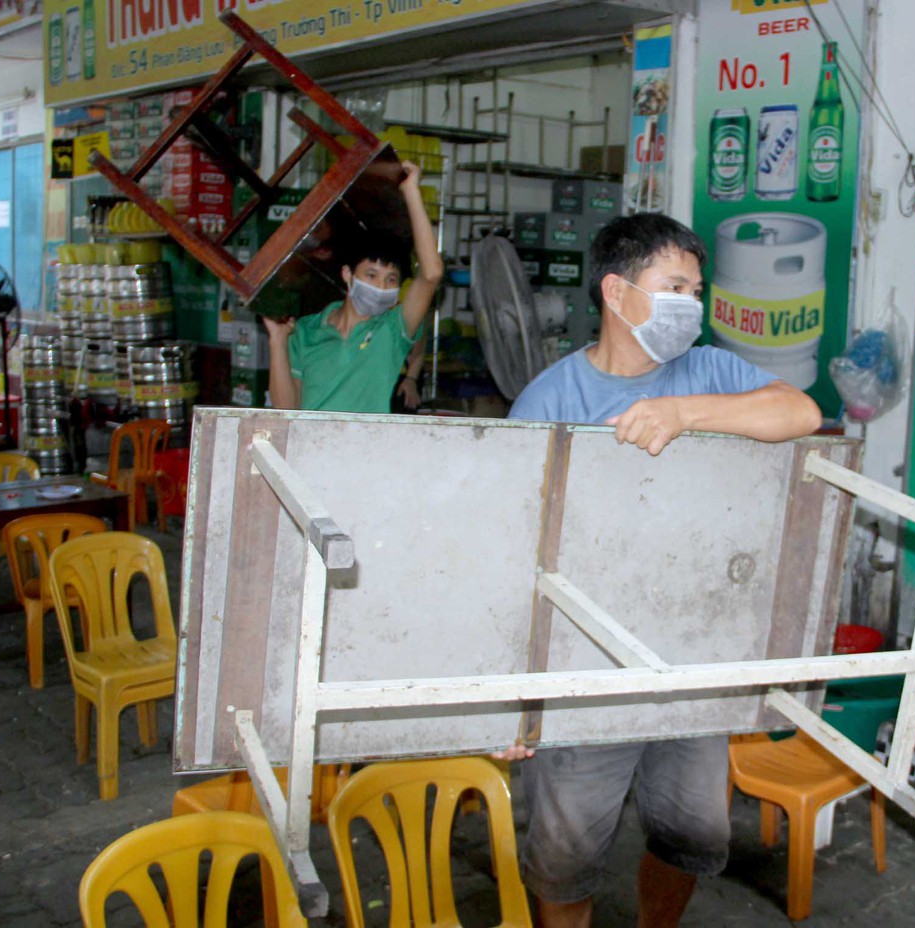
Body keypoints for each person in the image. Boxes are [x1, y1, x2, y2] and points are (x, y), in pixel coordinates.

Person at [502, 212, 822, 928]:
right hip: (581, 669)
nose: (694, 303)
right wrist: (509, 691)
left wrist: (683, 412)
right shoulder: (551, 399)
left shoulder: (708, 369)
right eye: (675, 285)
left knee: (689, 840)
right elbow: (508, 550)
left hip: (691, 654)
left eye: (697, 288)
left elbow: (799, 412)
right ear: (617, 293)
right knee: (565, 858)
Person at [264, 161, 443, 413]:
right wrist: (278, 341)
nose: (380, 286)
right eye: (371, 275)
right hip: (312, 448)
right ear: (348, 274)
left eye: (390, 280)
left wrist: (411, 190)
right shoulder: (305, 332)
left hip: (364, 450)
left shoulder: (392, 330)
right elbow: (286, 408)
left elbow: (431, 273)